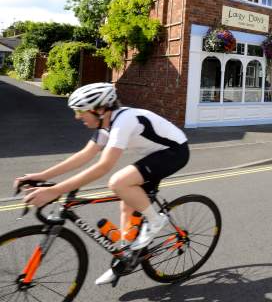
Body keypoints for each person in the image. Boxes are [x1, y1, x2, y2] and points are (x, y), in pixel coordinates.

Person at [14, 82, 190, 285]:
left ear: (99, 110)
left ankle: (155, 220)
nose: (77, 116)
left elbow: (103, 166)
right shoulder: (106, 124)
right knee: (126, 203)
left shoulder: (124, 121)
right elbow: (84, 156)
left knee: (118, 182)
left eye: (80, 111)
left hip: (175, 152)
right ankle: (126, 258)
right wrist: (41, 176)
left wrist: (55, 191)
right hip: (154, 154)